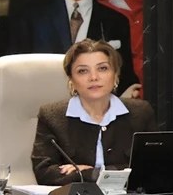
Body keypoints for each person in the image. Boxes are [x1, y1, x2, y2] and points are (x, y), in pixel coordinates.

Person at [10, 0, 141, 98]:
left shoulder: (116, 21)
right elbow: (13, 73)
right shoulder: (32, 18)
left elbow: (125, 76)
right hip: (43, 105)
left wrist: (127, 94)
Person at [31, 39, 158, 186]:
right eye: (83, 71)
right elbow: (44, 173)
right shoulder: (51, 116)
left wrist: (93, 173)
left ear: (115, 75)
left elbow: (153, 166)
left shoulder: (140, 113)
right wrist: (93, 174)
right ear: (71, 79)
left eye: (102, 68)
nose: (93, 77)